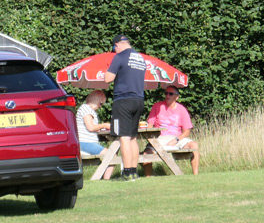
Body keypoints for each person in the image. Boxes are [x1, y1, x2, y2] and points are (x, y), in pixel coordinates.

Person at [104, 34, 147, 181]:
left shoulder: (120, 57)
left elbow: (108, 78)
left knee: (124, 137)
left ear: (117, 45)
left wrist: (107, 70)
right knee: (133, 137)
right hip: (139, 99)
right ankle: (134, 172)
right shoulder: (140, 58)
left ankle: (127, 172)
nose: (114, 51)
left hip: (123, 100)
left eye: (114, 48)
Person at [143, 86, 200, 175]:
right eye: (166, 93)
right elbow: (149, 124)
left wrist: (176, 140)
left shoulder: (181, 109)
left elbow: (187, 131)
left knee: (194, 145)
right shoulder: (157, 106)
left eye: (170, 94)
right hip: (160, 138)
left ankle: (196, 176)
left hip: (177, 138)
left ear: (176, 97)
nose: (167, 96)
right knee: (146, 154)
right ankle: (148, 179)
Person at [75, 90, 114, 180]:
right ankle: (105, 179)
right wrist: (104, 125)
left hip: (85, 142)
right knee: (112, 155)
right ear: (98, 102)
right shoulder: (86, 110)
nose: (100, 107)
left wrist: (100, 127)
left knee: (110, 154)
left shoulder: (85, 109)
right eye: (101, 105)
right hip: (85, 143)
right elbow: (91, 127)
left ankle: (102, 178)